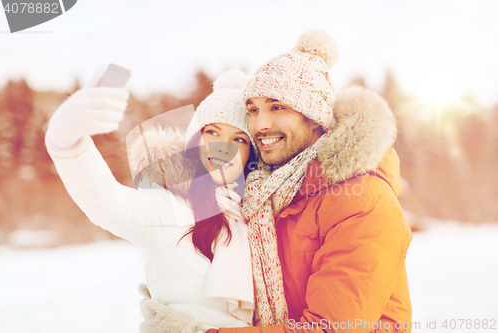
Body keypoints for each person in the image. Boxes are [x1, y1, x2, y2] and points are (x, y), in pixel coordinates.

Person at [206, 30, 413, 332]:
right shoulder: (264, 195)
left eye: (277, 107)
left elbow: (330, 328)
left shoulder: (363, 199)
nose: (260, 125)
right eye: (253, 110)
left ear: (315, 116)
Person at [45, 69, 257, 331]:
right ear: (194, 140)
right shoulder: (168, 206)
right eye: (213, 132)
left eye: (239, 139)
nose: (225, 147)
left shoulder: (259, 216)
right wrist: (66, 143)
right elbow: (107, 202)